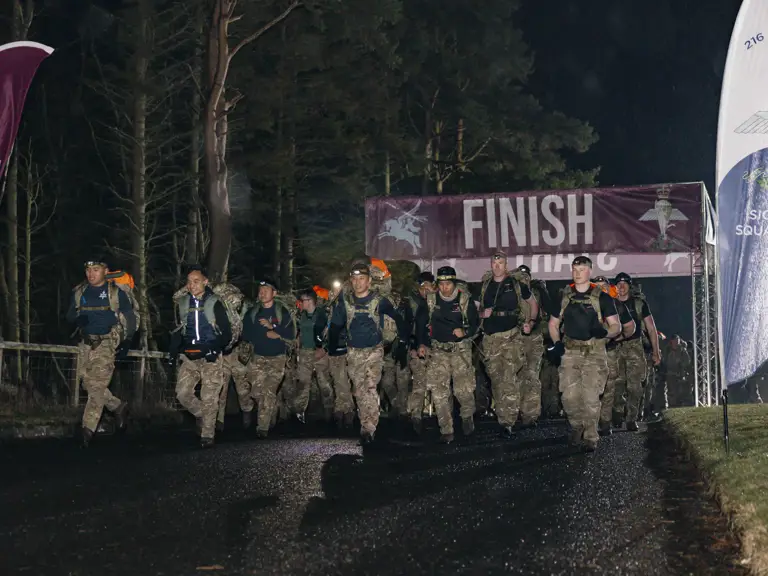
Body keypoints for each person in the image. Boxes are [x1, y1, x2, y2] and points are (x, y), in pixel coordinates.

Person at [328, 262, 408, 445]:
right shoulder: (346, 302)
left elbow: (399, 319)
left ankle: (368, 429)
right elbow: (335, 325)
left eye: (361, 279)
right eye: (354, 279)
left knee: (370, 387)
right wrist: (332, 347)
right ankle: (367, 420)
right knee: (359, 390)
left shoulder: (379, 301)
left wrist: (403, 342)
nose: (357, 283)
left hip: (374, 351)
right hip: (353, 351)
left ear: (369, 281)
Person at [547, 256, 621, 451]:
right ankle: (576, 426)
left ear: (589, 271)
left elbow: (617, 326)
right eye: (574, 269)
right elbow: (553, 324)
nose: (577, 273)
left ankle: (590, 436)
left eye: (581, 269)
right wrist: (556, 344)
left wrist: (605, 332)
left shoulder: (602, 297)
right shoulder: (564, 296)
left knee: (590, 397)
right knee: (569, 397)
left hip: (594, 352)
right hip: (570, 351)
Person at [68, 258, 135, 447]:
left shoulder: (115, 293)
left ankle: (86, 430)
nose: (91, 274)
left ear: (105, 271)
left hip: (106, 343)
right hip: (85, 344)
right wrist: (77, 319)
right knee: (87, 383)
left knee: (96, 388)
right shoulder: (80, 292)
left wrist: (127, 342)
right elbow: (69, 315)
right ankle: (118, 406)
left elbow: (129, 318)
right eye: (88, 270)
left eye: (96, 269)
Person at [415, 266, 480, 443]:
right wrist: (422, 344)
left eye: (448, 284)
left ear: (454, 283)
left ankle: (467, 415)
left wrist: (465, 332)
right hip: (438, 351)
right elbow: (421, 324)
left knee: (463, 391)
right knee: (438, 392)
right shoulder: (430, 300)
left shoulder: (464, 299)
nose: (444, 287)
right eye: (441, 284)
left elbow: (476, 325)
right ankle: (446, 429)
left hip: (460, 350)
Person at [478, 251, 538, 437]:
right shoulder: (485, 285)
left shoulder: (516, 284)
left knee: (509, 377)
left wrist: (531, 321)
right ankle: (504, 413)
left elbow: (532, 303)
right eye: (494, 263)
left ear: (506, 265)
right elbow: (474, 309)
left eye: (500, 263)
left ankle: (508, 420)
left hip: (511, 335)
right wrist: (482, 314)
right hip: (490, 338)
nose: (497, 266)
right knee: (496, 379)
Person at [170, 265, 231, 448]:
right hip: (189, 357)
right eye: (189, 282)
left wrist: (215, 348)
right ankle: (203, 416)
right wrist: (173, 352)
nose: (192, 285)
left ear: (205, 282)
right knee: (182, 394)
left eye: (196, 281)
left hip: (211, 355)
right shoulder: (182, 304)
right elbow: (177, 331)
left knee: (209, 396)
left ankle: (207, 435)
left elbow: (226, 332)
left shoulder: (215, 303)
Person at [241, 278, 296, 438]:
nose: (262, 293)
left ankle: (262, 428)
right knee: (257, 393)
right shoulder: (253, 312)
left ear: (275, 293)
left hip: (277, 358)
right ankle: (272, 408)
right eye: (260, 290)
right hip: (257, 357)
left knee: (269, 391)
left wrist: (275, 329)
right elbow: (246, 334)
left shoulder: (282, 312)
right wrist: (263, 334)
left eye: (266, 290)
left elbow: (291, 334)